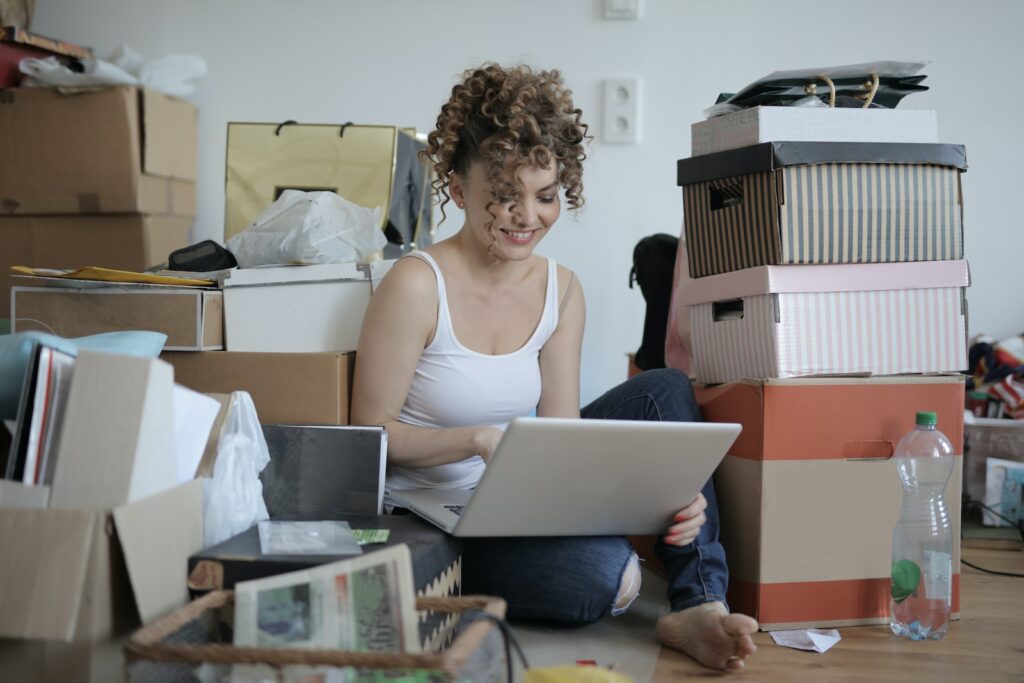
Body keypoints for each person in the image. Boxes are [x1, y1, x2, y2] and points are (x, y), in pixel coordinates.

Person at [351, 63, 758, 671]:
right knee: (608, 579)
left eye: (545, 197)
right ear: (460, 191)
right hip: (432, 518)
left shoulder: (561, 290)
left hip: (520, 499)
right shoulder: (415, 284)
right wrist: (478, 440)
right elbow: (372, 434)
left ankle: (698, 601)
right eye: (504, 198)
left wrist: (665, 496)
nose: (527, 217)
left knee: (665, 389)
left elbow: (565, 444)